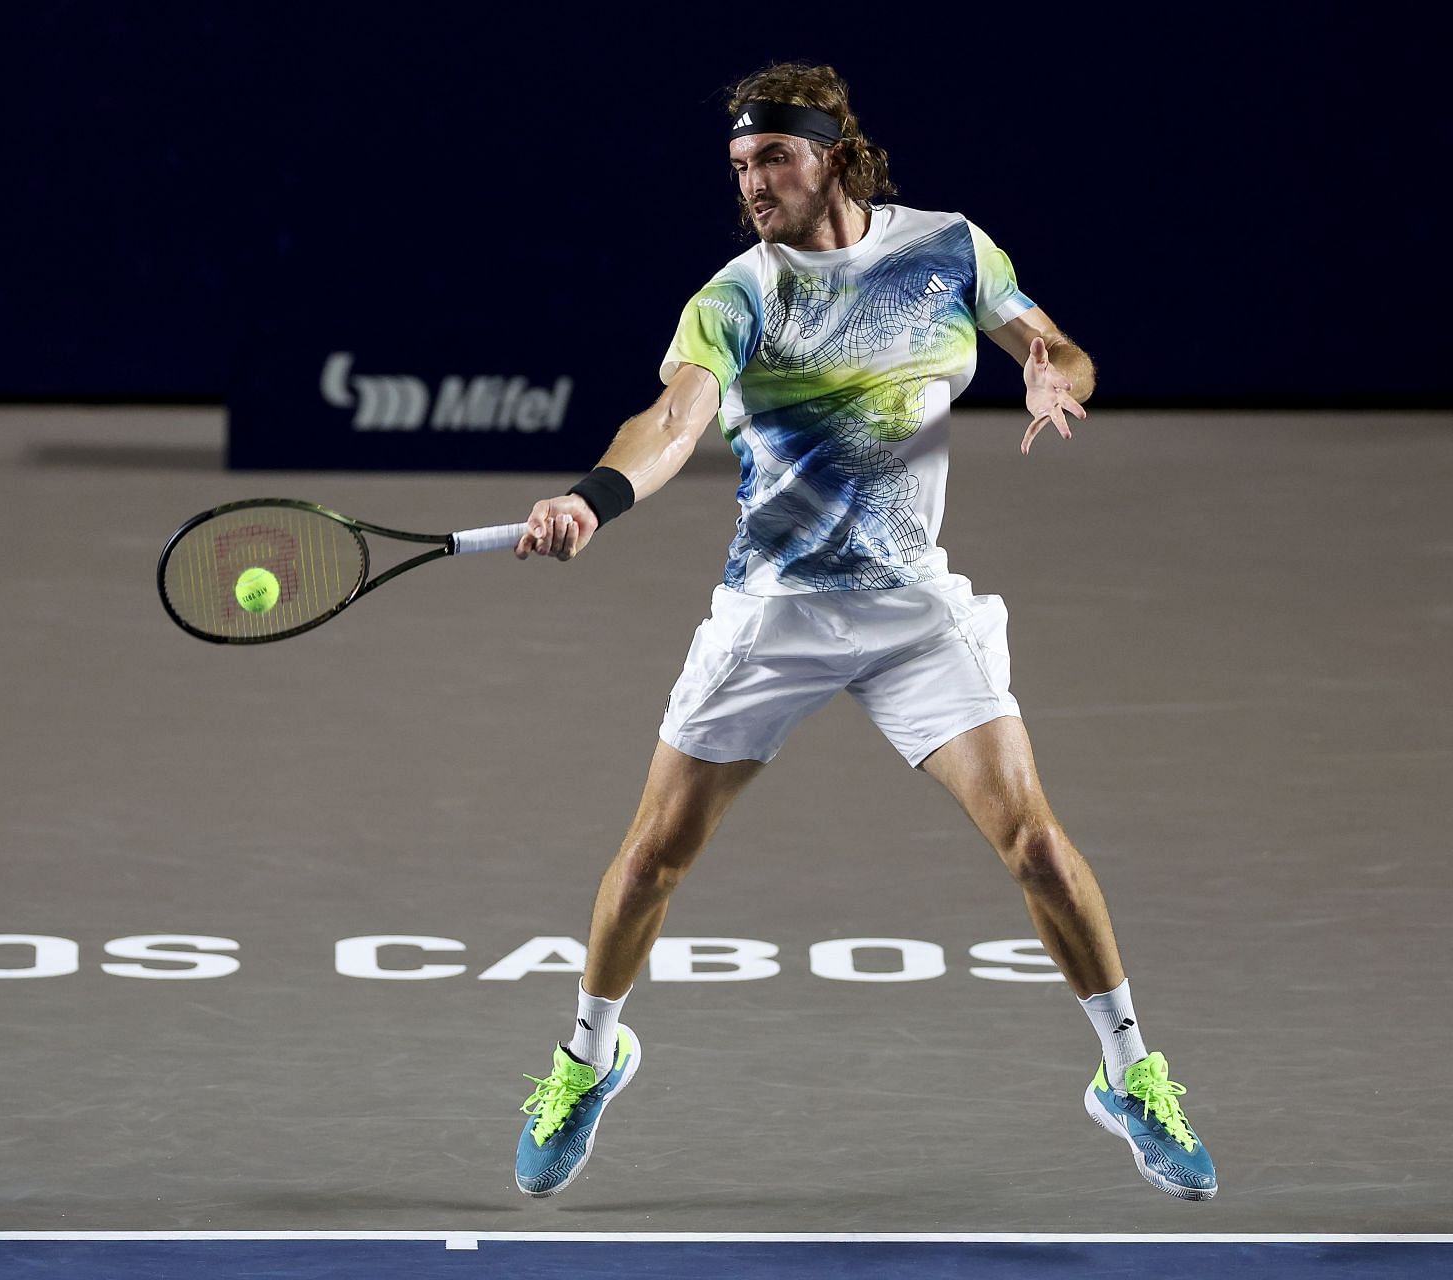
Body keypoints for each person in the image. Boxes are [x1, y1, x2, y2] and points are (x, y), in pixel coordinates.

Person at [508, 62, 1215, 1203]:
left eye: (771, 159)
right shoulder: (737, 295)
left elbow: (1056, 345)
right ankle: (588, 1058)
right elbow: (674, 416)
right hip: (773, 610)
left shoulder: (949, 250)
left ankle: (1132, 1073)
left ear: (833, 152)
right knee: (650, 861)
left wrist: (1050, 374)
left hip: (910, 611)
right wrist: (595, 495)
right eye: (738, 166)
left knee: (1035, 842)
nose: (752, 184)